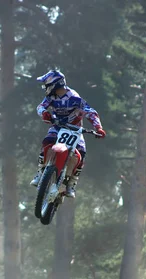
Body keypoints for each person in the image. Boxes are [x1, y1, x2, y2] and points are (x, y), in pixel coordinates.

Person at [31, 70, 106, 198]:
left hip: (75, 130)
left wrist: (98, 127)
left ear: (55, 84)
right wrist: (44, 112)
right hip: (58, 126)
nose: (45, 88)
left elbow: (90, 111)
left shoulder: (74, 97)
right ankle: (40, 172)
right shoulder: (50, 97)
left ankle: (71, 183)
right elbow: (40, 106)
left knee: (81, 152)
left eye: (46, 85)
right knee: (47, 141)